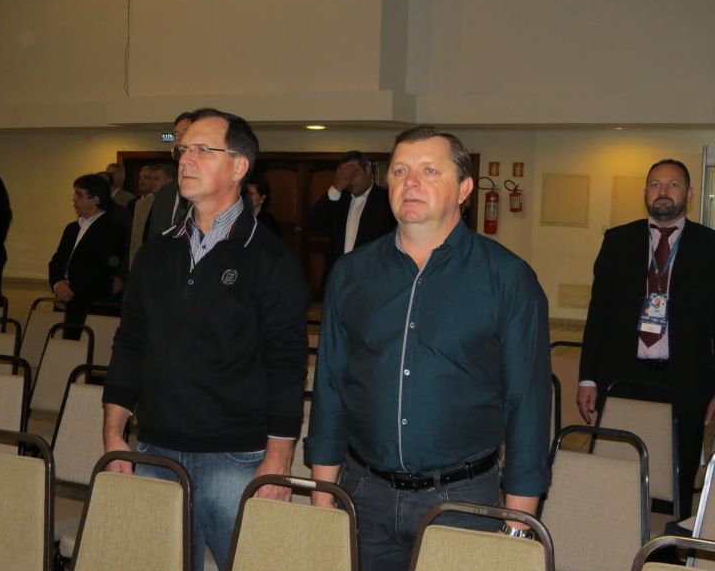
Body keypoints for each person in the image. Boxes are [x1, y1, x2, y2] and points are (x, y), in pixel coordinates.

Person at [305, 126, 551, 571]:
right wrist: (323, 493)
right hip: (364, 493)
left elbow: (528, 405)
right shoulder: (352, 273)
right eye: (400, 171)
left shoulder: (507, 278)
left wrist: (519, 522)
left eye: (429, 171)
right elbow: (331, 386)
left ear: (464, 189)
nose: (411, 182)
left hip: (462, 501)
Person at [102, 108, 309, 571]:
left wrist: (279, 460)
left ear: (238, 166)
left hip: (236, 456)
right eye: (182, 150)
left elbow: (287, 364)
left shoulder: (269, 258)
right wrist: (114, 432)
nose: (185, 159)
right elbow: (130, 342)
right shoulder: (157, 252)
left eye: (202, 149)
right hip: (156, 450)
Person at [577, 159, 715, 519]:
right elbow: (598, 314)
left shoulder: (709, 246)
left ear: (689, 193)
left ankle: (669, 542)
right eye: (655, 184)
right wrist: (588, 377)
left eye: (672, 184)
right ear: (645, 192)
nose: (663, 191)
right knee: (616, 468)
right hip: (623, 376)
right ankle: (612, 532)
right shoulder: (618, 241)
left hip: (686, 381)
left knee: (677, 472)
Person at [48, 174, 126, 328]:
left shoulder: (113, 230)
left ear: (96, 199)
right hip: (64, 298)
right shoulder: (72, 228)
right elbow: (57, 260)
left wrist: (70, 290)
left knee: (82, 341)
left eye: (78, 195)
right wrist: (58, 284)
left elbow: (102, 268)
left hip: (90, 304)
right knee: (59, 340)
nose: (73, 199)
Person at [307, 150, 396, 284]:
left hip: (372, 278)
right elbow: (313, 223)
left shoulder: (387, 200)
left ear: (367, 170)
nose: (349, 180)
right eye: (345, 175)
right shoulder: (337, 198)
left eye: (353, 173)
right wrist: (336, 188)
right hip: (338, 277)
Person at [147, 111, 193, 238]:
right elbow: (154, 237)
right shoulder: (165, 193)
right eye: (176, 135)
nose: (178, 139)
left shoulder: (212, 192)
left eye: (185, 132)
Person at [127, 165, 156, 268]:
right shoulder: (132, 203)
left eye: (146, 177)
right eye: (140, 177)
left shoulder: (156, 203)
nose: (142, 180)